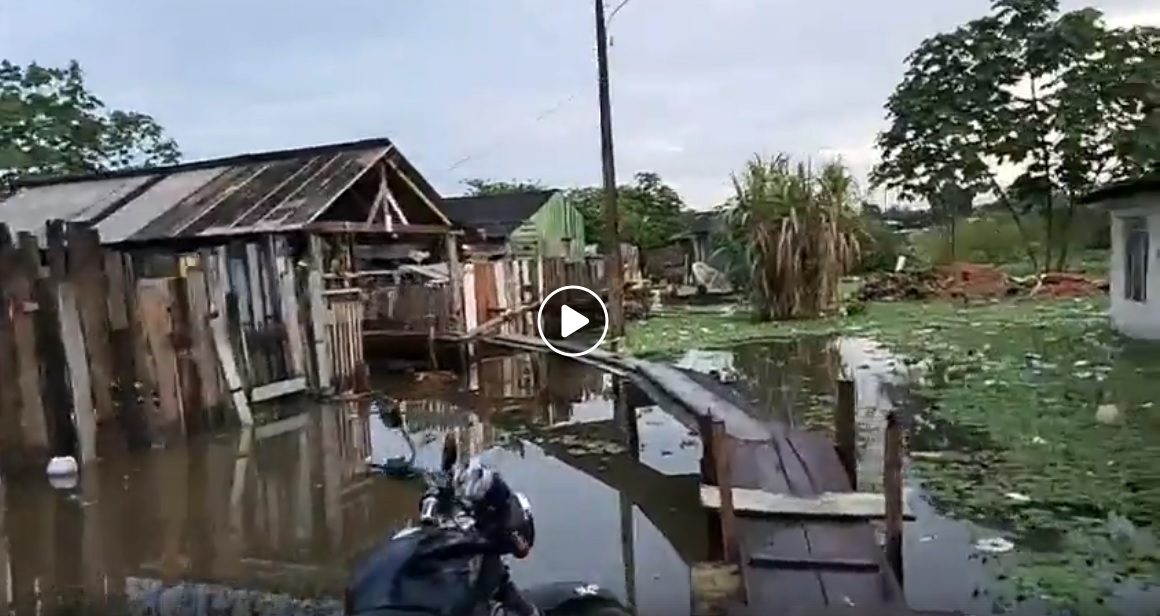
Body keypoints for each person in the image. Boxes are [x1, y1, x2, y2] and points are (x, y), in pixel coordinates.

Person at [455, 456, 540, 616]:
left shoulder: (509, 521)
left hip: (486, 577)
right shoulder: (474, 497)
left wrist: (487, 541)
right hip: (475, 556)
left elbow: (522, 548)